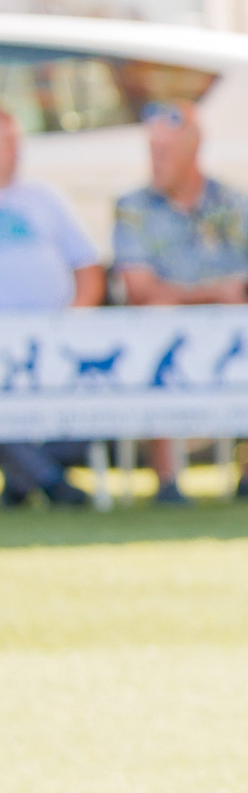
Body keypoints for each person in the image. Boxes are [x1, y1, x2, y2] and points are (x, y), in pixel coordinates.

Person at [111, 100, 248, 503]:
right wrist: (213, 293)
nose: (156, 162)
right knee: (158, 325)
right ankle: (167, 481)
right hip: (167, 332)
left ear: (192, 153)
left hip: (234, 331)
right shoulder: (134, 208)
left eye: (165, 152)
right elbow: (139, 289)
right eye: (152, 152)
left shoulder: (236, 204)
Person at [0, 106, 101, 508]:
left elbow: (88, 268)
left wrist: (75, 319)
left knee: (94, 401)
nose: (11, 151)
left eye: (14, 142)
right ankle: (50, 482)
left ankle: (25, 479)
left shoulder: (44, 199)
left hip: (52, 340)